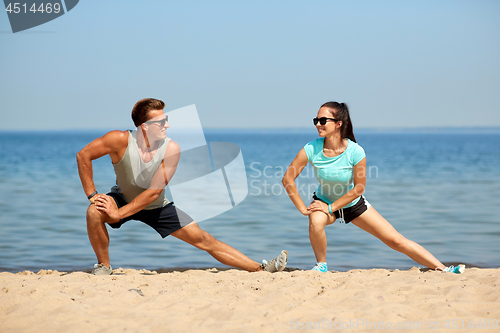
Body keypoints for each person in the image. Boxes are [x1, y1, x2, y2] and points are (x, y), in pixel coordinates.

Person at [77, 98, 287, 275]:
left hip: (156, 205)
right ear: (145, 127)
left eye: (166, 120)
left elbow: (154, 192)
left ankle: (260, 269)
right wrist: (92, 195)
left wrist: (119, 214)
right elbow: (83, 155)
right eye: (161, 122)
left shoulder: (171, 149)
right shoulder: (119, 139)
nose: (166, 125)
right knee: (94, 212)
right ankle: (104, 267)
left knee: (203, 239)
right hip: (122, 197)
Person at [282, 101, 464, 274]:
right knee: (315, 221)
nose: (318, 124)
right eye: (316, 121)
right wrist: (303, 209)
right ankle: (321, 265)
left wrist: (331, 207)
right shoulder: (311, 148)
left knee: (395, 240)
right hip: (324, 201)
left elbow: (359, 188)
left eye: (323, 120)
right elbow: (288, 178)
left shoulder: (355, 151)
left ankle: (443, 269)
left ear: (338, 123)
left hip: (352, 203)